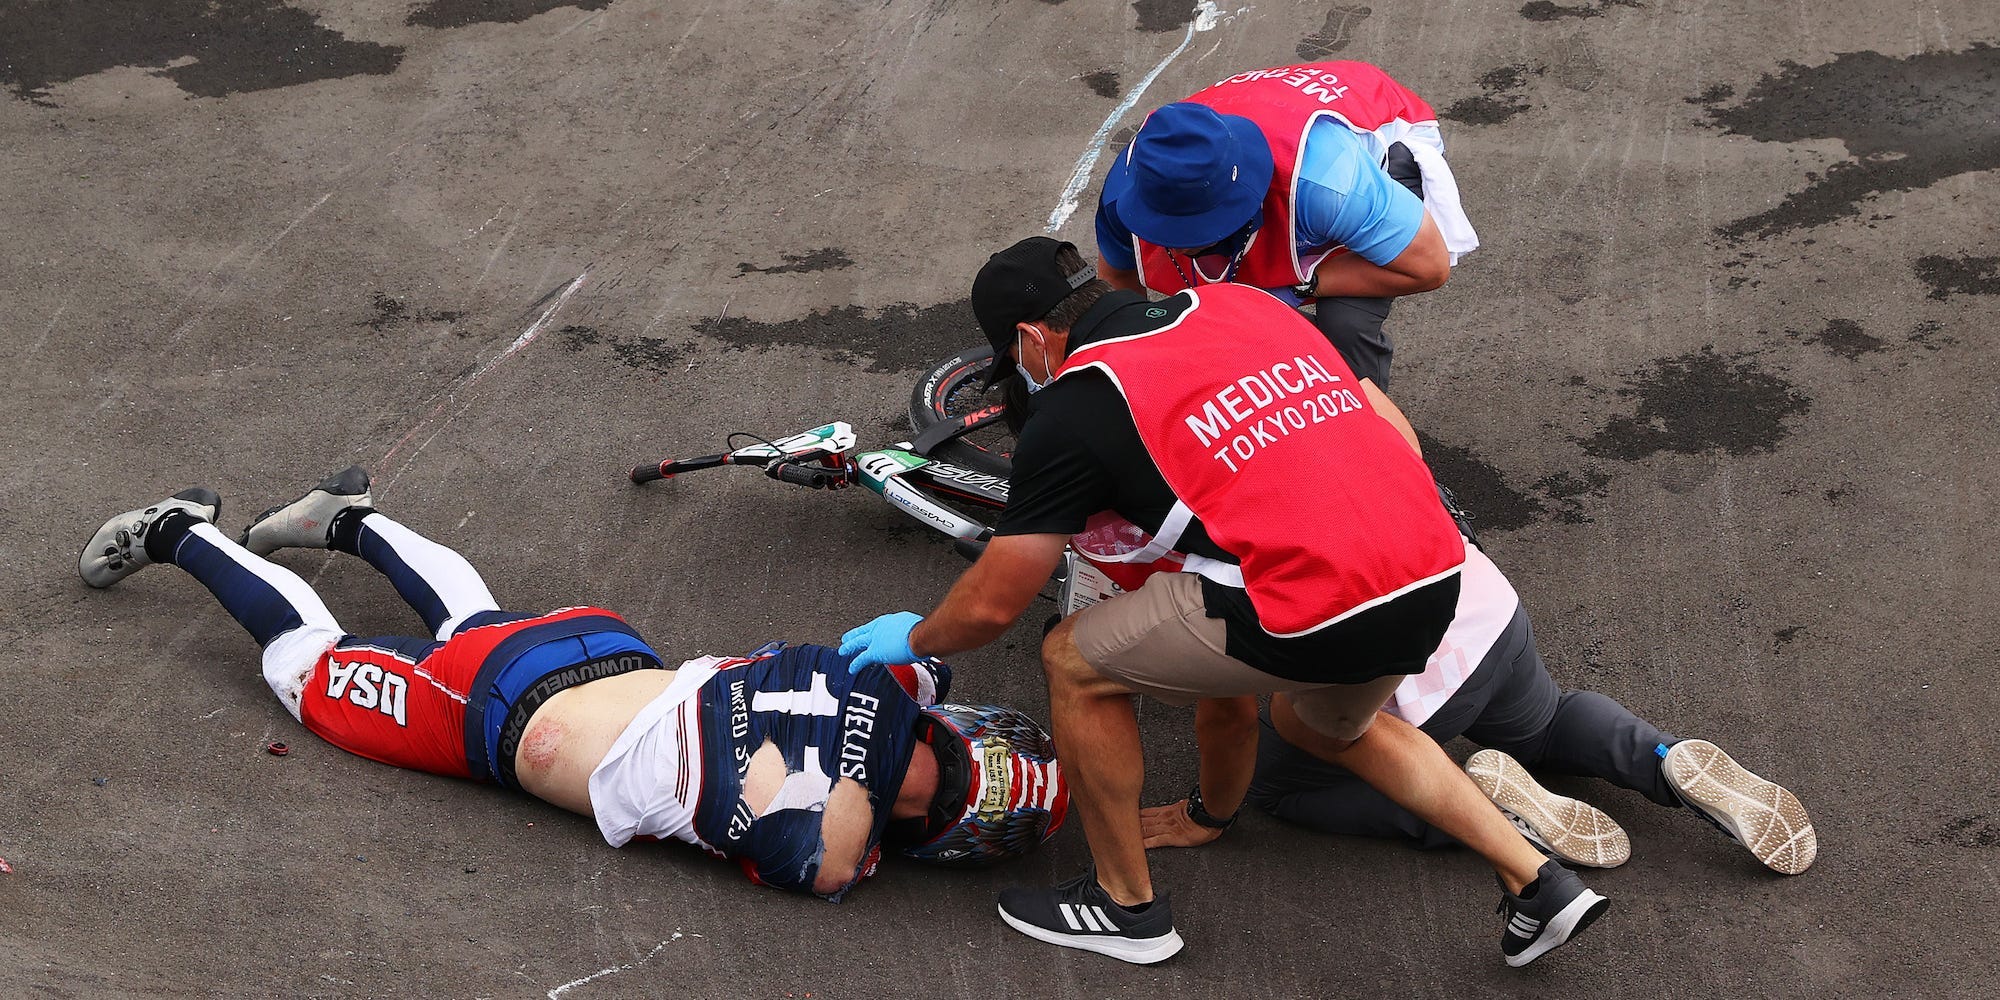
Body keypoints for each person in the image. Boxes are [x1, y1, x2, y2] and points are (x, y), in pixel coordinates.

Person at [840, 237, 1607, 966]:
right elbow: (1370, 410)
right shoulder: (1241, 304)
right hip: (1433, 563)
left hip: (1314, 596)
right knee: (1320, 723)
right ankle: (1541, 882)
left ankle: (1123, 908)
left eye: (1014, 355)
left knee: (1071, 656)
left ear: (1032, 338)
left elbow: (992, 606)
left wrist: (916, 640)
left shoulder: (1077, 406)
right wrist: (1207, 814)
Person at [77, 467, 1067, 900]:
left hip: (601, 648)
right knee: (306, 667)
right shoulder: (822, 849)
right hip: (499, 720)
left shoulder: (893, 677)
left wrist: (912, 702)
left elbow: (920, 669)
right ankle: (177, 528)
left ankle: (351, 519)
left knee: (479, 620)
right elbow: (835, 855)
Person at [1133, 524, 1818, 876]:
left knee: (1277, 787)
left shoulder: (1190, 512)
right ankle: (1660, 758)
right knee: (1546, 722)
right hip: (1480, 603)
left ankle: (1475, 805)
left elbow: (1224, 713)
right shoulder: (1312, 391)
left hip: (1394, 672)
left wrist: (1206, 811)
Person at [1094, 60, 1479, 388]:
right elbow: (1120, 294)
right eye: (1167, 228)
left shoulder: (1328, 183)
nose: (1178, 243)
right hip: (1268, 110)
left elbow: (1428, 267)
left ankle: (1369, 439)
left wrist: (1305, 283)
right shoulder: (1124, 194)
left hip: (1383, 124)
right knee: (1239, 326)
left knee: (1344, 324)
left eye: (1195, 228)